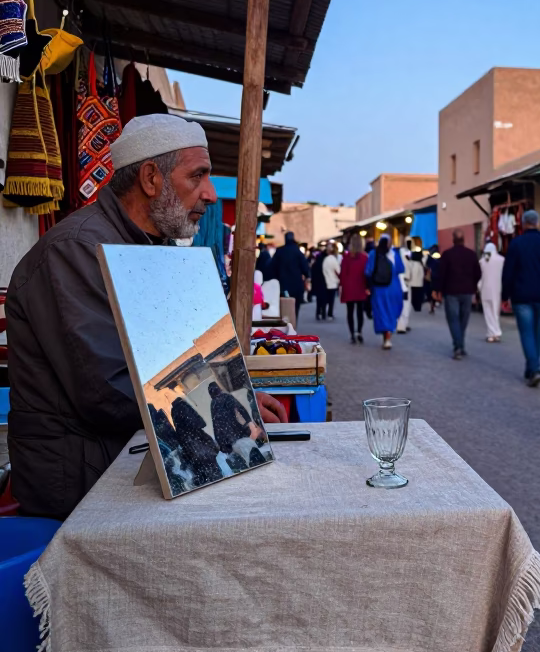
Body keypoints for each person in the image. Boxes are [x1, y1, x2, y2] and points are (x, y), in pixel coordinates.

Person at [5, 112, 288, 521]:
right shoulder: (74, 252)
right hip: (82, 485)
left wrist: (237, 397)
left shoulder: (155, 249)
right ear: (152, 178)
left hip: (132, 461)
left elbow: (178, 356)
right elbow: (107, 390)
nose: (210, 194)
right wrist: (222, 406)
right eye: (198, 176)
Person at [501, 209, 540, 385]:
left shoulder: (516, 244)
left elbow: (508, 273)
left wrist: (504, 296)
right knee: (536, 334)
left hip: (521, 296)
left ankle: (534, 369)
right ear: (538, 223)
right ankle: (532, 368)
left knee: (526, 334)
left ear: (523, 223)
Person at [438, 230, 482, 359]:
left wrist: (438, 289)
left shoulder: (447, 255)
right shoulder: (471, 255)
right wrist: (473, 285)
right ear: (463, 240)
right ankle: (460, 345)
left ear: (453, 240)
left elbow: (441, 274)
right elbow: (478, 273)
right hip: (467, 291)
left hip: (451, 291)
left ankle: (458, 346)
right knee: (463, 319)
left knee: (453, 319)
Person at [171, 397, 223, 488]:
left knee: (206, 481)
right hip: (202, 449)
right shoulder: (183, 407)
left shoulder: (175, 415)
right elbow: (200, 423)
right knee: (216, 477)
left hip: (192, 452)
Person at [365, 234, 405, 349]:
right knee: (392, 312)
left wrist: (368, 286)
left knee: (381, 312)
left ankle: (385, 337)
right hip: (394, 288)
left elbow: (368, 271)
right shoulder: (394, 254)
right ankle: (388, 338)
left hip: (378, 289)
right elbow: (401, 269)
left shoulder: (373, 254)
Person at [267, 231, 311, 323]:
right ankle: (293, 325)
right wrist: (307, 276)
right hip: (296, 285)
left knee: (283, 307)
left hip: (282, 285)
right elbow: (305, 267)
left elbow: (272, 267)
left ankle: (285, 326)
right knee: (295, 307)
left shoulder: (280, 251)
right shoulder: (297, 251)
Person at [340, 233, 369, 343]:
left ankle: (352, 334)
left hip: (349, 287)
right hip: (361, 286)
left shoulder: (346, 257)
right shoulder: (365, 257)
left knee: (350, 312)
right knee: (360, 311)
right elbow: (367, 273)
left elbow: (343, 273)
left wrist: (342, 286)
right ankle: (359, 332)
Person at [477, 242, 505, 342]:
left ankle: (492, 333)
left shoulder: (482, 261)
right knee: (495, 312)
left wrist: (478, 287)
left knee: (488, 312)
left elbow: (479, 277)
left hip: (485, 290)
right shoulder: (501, 260)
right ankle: (496, 332)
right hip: (497, 289)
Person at [396, 241, 413, 333]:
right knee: (405, 304)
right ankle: (402, 326)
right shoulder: (407, 254)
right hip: (405, 280)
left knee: (403, 303)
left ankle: (402, 324)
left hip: (400, 280)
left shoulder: (398, 253)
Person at [322, 243, 341, 320]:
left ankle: (323, 312)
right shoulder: (333, 260)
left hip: (326, 280)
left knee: (326, 299)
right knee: (331, 300)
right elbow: (338, 271)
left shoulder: (325, 260)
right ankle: (330, 313)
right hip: (333, 282)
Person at [310, 248, 328, 321]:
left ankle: (318, 313)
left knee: (318, 300)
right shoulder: (325, 263)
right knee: (324, 299)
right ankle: (323, 313)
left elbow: (312, 273)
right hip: (324, 282)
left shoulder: (315, 263)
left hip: (317, 283)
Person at [425, 246, 441, 313]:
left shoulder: (430, 256)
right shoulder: (439, 257)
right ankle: (434, 303)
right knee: (435, 290)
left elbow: (427, 264)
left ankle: (432, 305)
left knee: (430, 291)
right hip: (438, 276)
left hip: (431, 276)